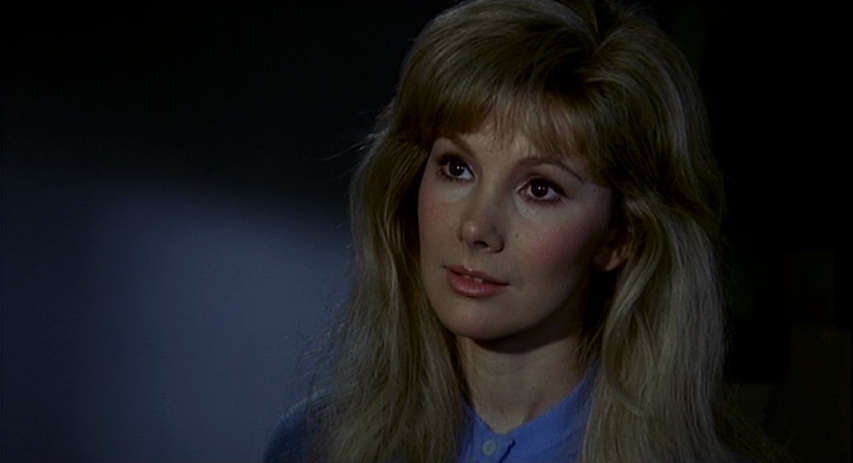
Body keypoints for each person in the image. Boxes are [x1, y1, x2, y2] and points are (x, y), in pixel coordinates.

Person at [265, 0, 784, 462]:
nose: (476, 226)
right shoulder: (313, 446)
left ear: (619, 237)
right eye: (456, 168)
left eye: (539, 189)